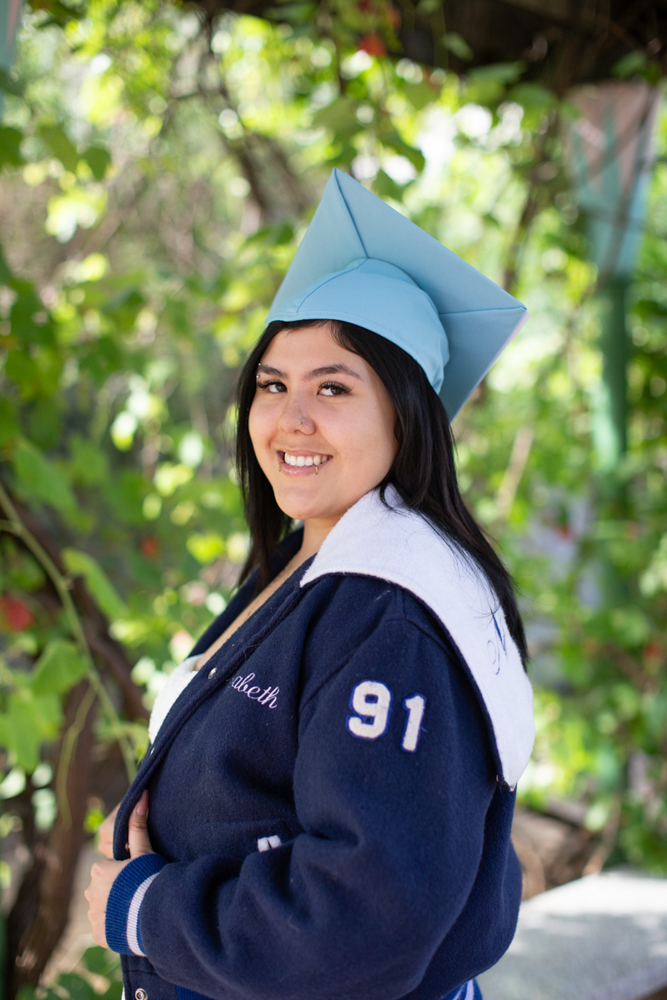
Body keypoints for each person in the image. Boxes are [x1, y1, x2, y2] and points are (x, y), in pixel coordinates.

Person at [86, 169, 534, 1000]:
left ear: (406, 414)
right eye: (272, 384)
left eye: (333, 387)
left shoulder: (395, 613)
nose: (291, 418)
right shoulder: (304, 560)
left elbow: (365, 918)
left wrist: (144, 908)